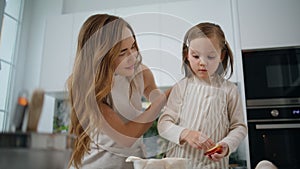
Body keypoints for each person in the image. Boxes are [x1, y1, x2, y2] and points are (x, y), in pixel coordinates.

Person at [67, 14, 170, 169]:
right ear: (101, 56)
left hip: (131, 163)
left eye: (133, 46)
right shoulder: (88, 89)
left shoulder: (140, 73)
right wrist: (162, 100)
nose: (132, 57)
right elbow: (125, 137)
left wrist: (165, 101)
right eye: (122, 52)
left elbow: (154, 94)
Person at [157, 22, 247, 168]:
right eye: (196, 56)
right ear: (187, 55)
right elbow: (163, 125)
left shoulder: (229, 90)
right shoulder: (181, 87)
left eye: (211, 56)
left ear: (221, 56)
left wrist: (226, 145)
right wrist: (185, 133)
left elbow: (239, 127)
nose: (202, 62)